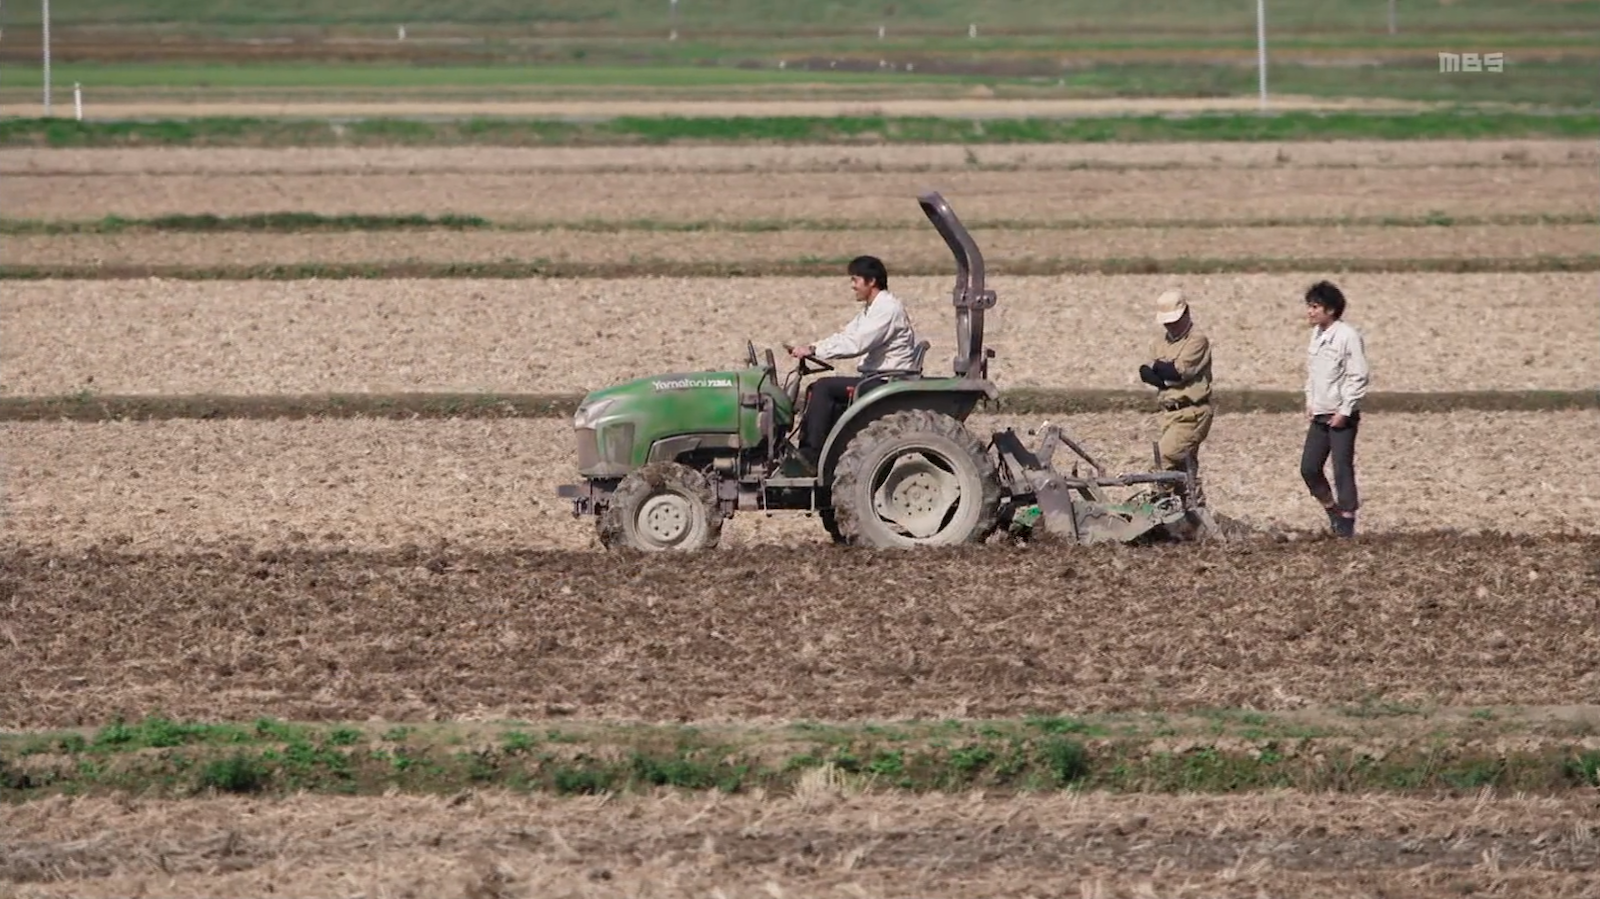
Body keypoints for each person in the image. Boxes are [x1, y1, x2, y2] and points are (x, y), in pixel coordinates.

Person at [787, 255, 920, 472]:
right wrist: (813, 347)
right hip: (877, 378)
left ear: (872, 281)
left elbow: (857, 343)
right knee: (817, 390)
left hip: (886, 380)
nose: (852, 286)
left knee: (823, 389)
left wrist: (813, 350)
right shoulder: (872, 309)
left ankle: (811, 456)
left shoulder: (887, 309)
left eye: (855, 280)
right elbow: (845, 335)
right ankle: (816, 456)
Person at [1300, 279, 1370, 538]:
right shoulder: (1316, 335)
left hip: (1342, 415)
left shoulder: (1347, 336)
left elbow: (1358, 375)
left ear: (1330, 310)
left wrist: (1345, 410)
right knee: (1309, 467)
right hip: (1319, 413)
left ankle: (1347, 521)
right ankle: (1333, 511)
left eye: (1315, 306)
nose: (1309, 311)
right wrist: (1310, 401)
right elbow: (1313, 374)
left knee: (1342, 467)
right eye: (1309, 306)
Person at [1137, 288, 1214, 487]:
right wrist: (1162, 373)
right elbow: (1146, 373)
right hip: (1169, 414)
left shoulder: (1197, 340)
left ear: (1186, 312)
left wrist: (1161, 373)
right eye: (1167, 322)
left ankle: (1152, 508)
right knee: (1183, 469)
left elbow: (1178, 372)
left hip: (1191, 413)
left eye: (1175, 321)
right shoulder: (1159, 343)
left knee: (1163, 460)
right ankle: (1190, 513)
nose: (1171, 326)